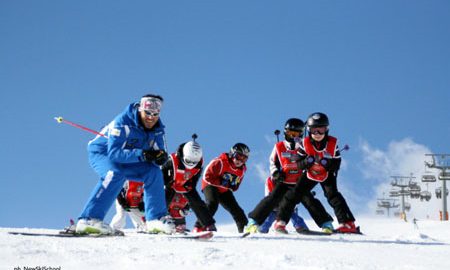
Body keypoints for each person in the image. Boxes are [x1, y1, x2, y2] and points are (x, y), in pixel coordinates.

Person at [76, 94, 175, 235]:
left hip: (132, 158)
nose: (151, 117)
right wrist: (144, 154)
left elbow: (161, 152)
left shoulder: (158, 129)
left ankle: (155, 219)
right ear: (140, 109)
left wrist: (159, 158)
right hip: (102, 153)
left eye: (155, 114)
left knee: (154, 172)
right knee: (114, 174)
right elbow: (114, 153)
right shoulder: (122, 122)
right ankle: (89, 219)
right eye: (147, 113)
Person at [274, 112, 358, 234]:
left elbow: (337, 163)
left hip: (326, 174)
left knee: (333, 195)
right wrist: (306, 163)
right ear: (309, 130)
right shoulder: (305, 143)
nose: (317, 134)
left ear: (327, 129)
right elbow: (298, 160)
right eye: (314, 130)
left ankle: (347, 223)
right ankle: (281, 222)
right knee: (295, 193)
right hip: (310, 173)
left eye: (321, 130)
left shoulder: (332, 144)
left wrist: (327, 164)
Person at [246, 118, 315, 233]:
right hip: (280, 188)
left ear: (301, 134)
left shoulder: (304, 147)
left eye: (296, 134)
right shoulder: (279, 146)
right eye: (290, 133)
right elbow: (272, 162)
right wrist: (276, 173)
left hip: (295, 186)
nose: (293, 136)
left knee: (292, 212)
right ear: (285, 133)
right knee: (271, 215)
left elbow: (309, 164)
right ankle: (259, 228)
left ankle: (300, 228)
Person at [161, 138, 216, 233]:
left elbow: (195, 178)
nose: (191, 164)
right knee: (163, 200)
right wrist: (167, 182)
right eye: (188, 161)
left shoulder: (199, 164)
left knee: (197, 203)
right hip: (170, 184)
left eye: (193, 162)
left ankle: (209, 224)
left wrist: (190, 185)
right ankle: (157, 221)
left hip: (185, 185)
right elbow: (161, 173)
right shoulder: (172, 160)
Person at [194, 143, 250, 233]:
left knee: (236, 209)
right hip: (210, 185)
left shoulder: (241, 170)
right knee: (212, 204)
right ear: (232, 153)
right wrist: (220, 182)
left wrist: (232, 186)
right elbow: (207, 176)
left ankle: (245, 229)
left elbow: (236, 185)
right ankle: (199, 227)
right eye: (238, 156)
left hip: (223, 189)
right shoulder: (221, 162)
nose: (240, 161)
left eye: (244, 159)